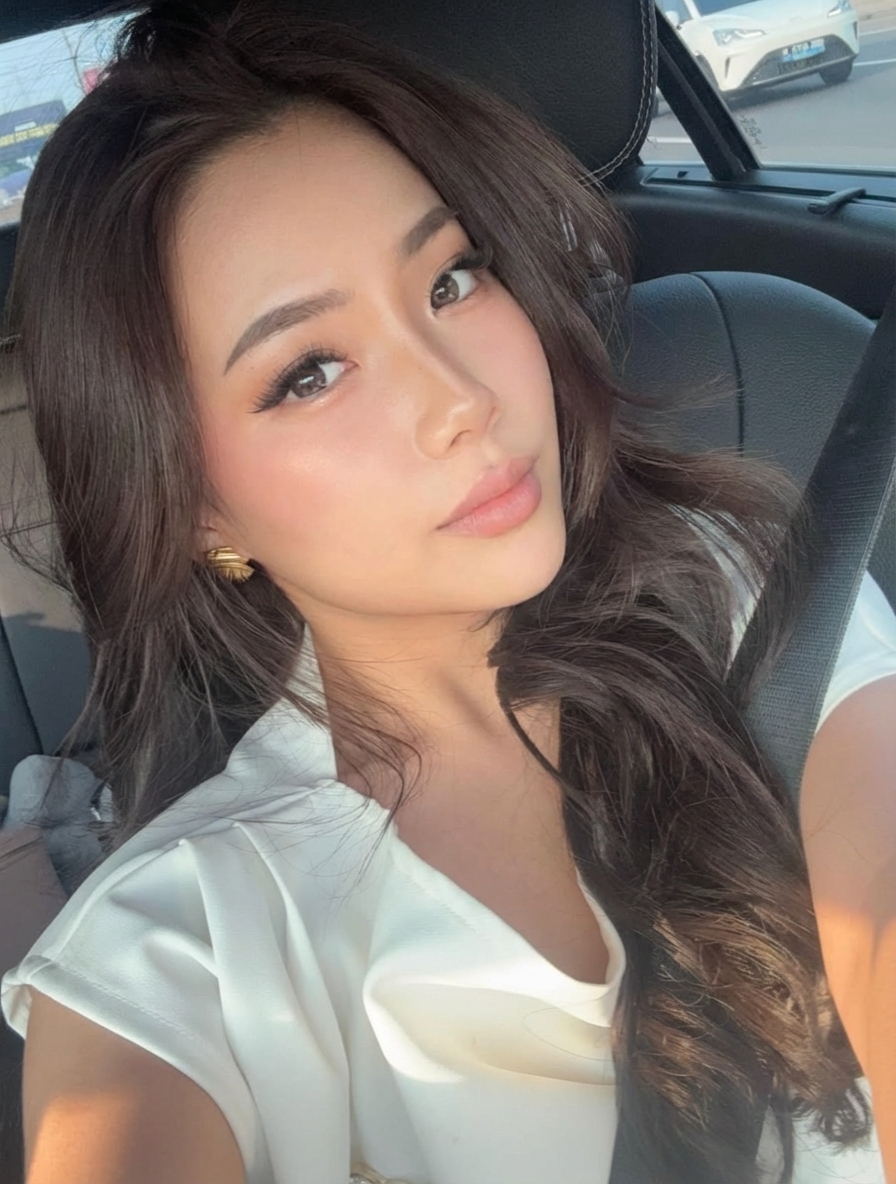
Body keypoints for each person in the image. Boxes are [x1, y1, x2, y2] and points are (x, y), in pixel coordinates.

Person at [1, 4, 894, 1183]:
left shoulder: (738, 584)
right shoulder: (177, 944)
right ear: (199, 508)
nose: (459, 398)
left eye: (450, 278)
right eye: (307, 372)